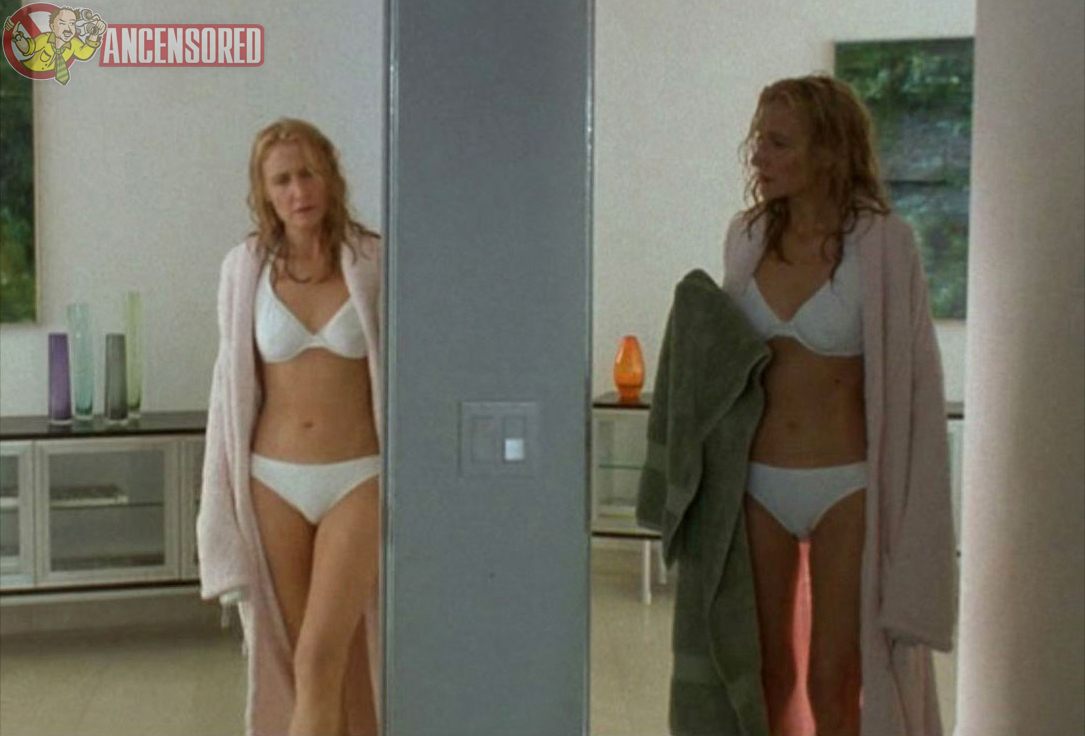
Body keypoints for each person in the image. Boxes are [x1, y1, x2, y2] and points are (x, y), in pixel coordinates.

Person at [723, 76, 956, 736]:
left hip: (847, 484)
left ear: (827, 150)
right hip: (757, 481)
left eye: (778, 142)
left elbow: (914, 377)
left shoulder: (883, 245)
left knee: (837, 677)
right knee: (766, 674)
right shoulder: (744, 237)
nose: (758, 156)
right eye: (758, 140)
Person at [197, 118, 383, 736]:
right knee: (311, 667)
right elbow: (228, 388)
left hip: (359, 478)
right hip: (271, 482)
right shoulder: (244, 268)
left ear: (330, 175)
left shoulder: (374, 260)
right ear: (265, 192)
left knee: (320, 657)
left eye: (308, 173)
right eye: (282, 180)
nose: (298, 190)